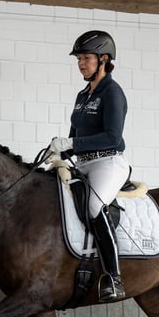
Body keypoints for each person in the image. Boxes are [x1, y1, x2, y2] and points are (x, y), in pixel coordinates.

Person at [48, 30, 130, 302]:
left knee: (95, 206)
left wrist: (70, 142)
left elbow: (112, 136)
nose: (81, 63)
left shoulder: (113, 93)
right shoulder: (83, 95)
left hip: (108, 162)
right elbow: (75, 139)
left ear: (104, 59)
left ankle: (113, 277)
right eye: (79, 59)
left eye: (86, 58)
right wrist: (59, 149)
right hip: (83, 164)